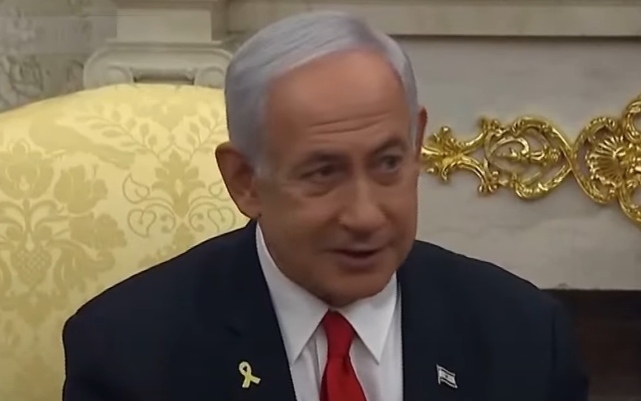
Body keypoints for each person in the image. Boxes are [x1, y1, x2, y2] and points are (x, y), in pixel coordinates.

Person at [62, 10, 589, 401]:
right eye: (323, 173)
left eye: (388, 163)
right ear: (245, 181)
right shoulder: (127, 355)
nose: (365, 215)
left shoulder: (524, 338)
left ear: (416, 145)